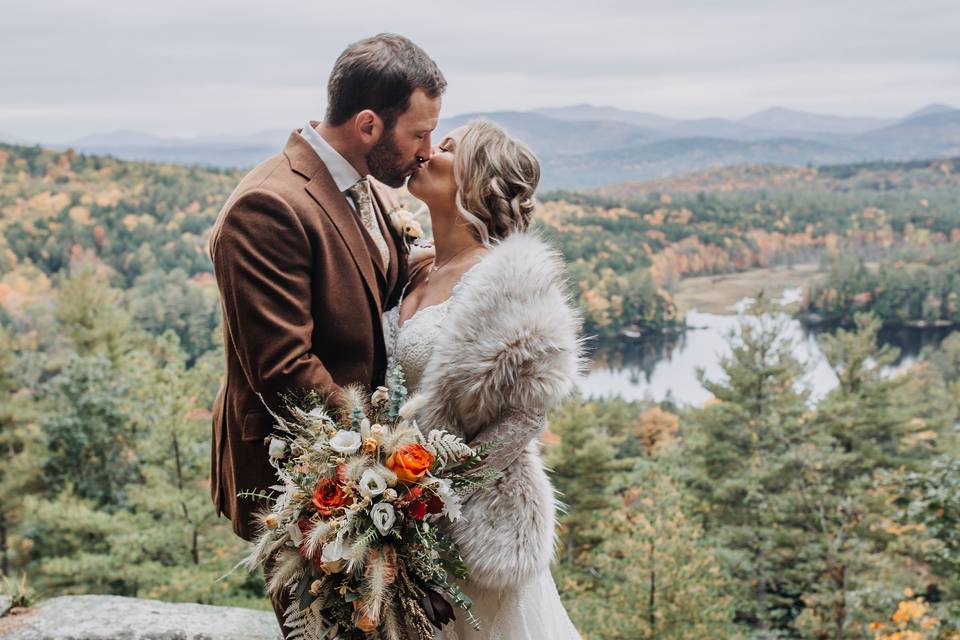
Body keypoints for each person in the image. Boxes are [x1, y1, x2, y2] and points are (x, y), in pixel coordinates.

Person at [207, 33, 444, 636]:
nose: (425, 151)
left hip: (359, 472)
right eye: (418, 134)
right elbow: (286, 368)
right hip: (302, 479)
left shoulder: (359, 181)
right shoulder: (268, 206)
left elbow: (369, 286)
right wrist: (386, 456)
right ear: (368, 124)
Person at [383, 120, 583, 639]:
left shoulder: (509, 282)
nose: (428, 151)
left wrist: (431, 497)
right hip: (392, 516)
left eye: (447, 147)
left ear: (477, 182)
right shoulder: (412, 269)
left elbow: (524, 418)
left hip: (473, 529)